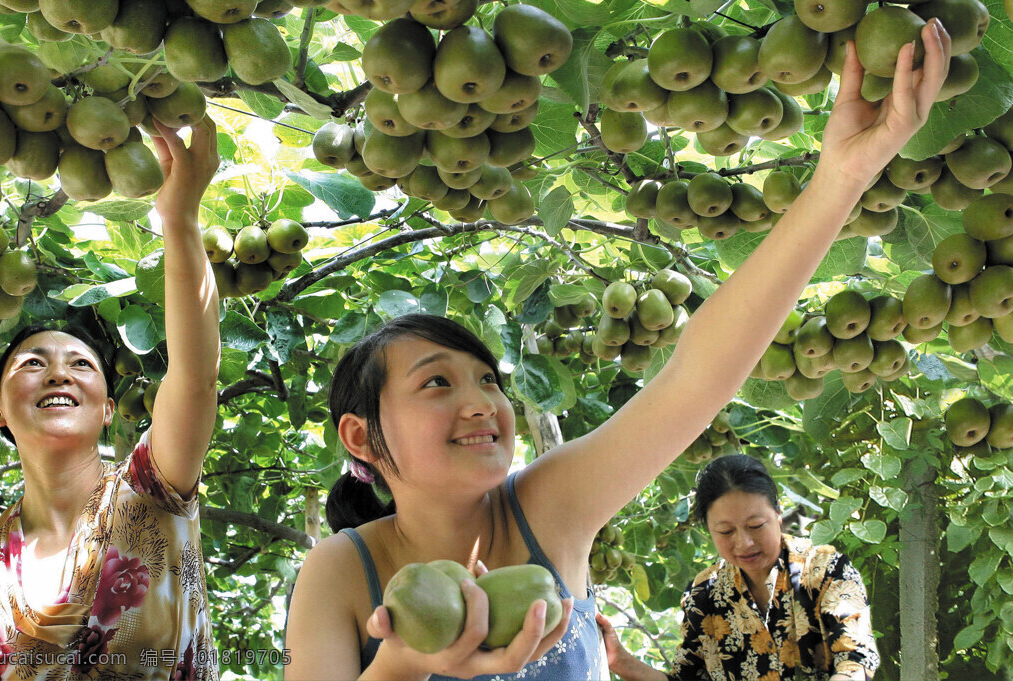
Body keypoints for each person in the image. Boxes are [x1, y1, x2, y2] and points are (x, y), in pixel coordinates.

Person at [284, 21, 950, 681]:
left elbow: (695, 377)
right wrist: (402, 661)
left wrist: (841, 177)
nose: (482, 402)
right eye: (436, 383)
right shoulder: (341, 572)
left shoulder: (548, 505)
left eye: (488, 378)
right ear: (362, 436)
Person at [0, 117, 222, 681]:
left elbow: (197, 378)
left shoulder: (151, 492)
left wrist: (179, 220)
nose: (59, 374)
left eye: (81, 365)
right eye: (33, 364)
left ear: (108, 410)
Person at [596, 455, 879, 681]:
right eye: (726, 531)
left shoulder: (827, 571)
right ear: (708, 529)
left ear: (778, 515)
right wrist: (620, 661)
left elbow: (855, 662)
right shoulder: (704, 594)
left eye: (756, 526)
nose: (743, 543)